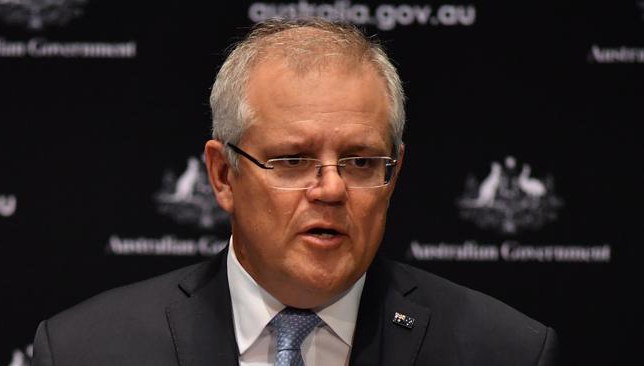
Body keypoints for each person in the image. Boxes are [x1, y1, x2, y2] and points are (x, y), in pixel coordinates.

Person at [32, 18, 558, 366]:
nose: (330, 188)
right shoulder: (88, 350)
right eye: (292, 160)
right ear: (222, 175)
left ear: (392, 175)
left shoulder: (504, 351)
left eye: (359, 161)